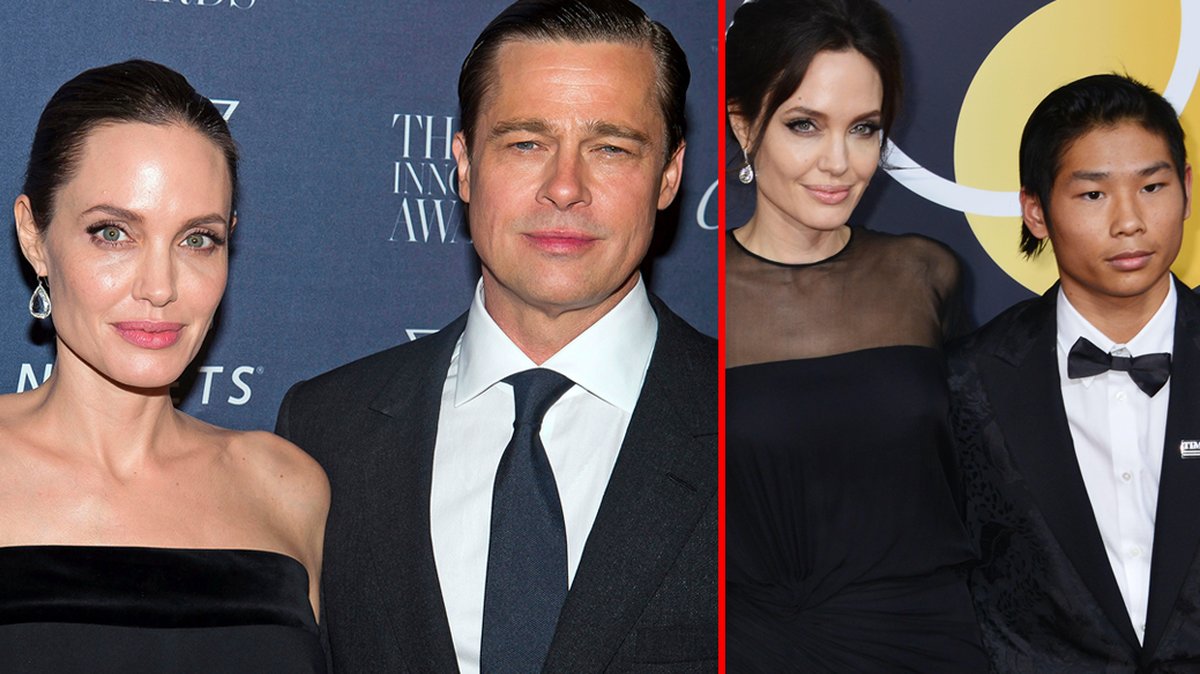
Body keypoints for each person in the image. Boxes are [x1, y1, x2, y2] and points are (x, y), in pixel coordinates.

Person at [274, 0, 716, 672]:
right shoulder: (325, 430)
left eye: (611, 148)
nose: (564, 187)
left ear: (670, 175)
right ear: (464, 165)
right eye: (526, 144)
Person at [0, 60, 328, 672]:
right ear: (34, 237)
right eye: (112, 233)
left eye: (197, 239)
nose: (160, 287)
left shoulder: (287, 488)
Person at [724, 0, 987, 670]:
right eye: (804, 125)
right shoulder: (695, 301)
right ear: (744, 125)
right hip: (754, 650)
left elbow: (985, 484)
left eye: (864, 129)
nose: (839, 162)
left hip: (934, 646)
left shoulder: (924, 275)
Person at [949, 73, 1200, 671]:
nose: (1129, 221)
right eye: (1093, 195)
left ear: (1187, 190)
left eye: (1153, 187)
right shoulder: (969, 381)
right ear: (1035, 211)